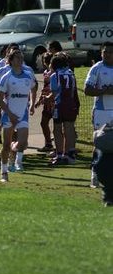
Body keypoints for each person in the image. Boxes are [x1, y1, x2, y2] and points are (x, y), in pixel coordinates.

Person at [0, 49, 37, 182]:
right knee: (5, 146)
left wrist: (32, 103)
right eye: (17, 58)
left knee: (23, 143)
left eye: (21, 57)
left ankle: (14, 148)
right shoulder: (6, 76)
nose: (20, 60)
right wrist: (10, 114)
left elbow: (33, 88)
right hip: (9, 115)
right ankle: (4, 172)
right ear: (11, 60)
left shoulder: (28, 75)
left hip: (22, 115)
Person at [84, 41, 113, 188]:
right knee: (99, 144)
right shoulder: (97, 68)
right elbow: (87, 89)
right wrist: (104, 91)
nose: (107, 54)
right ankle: (94, 174)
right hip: (101, 111)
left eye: (109, 52)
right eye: (104, 52)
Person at [48, 53, 80, 165]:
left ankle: (60, 154)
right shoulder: (71, 73)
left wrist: (47, 99)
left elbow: (55, 92)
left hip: (60, 105)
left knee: (57, 129)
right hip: (71, 104)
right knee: (69, 128)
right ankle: (70, 154)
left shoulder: (54, 75)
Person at [35, 51, 54, 152]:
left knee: (57, 125)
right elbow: (44, 87)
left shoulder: (54, 73)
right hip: (46, 102)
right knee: (44, 123)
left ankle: (58, 145)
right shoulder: (46, 72)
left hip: (53, 102)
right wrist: (39, 99)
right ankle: (48, 143)